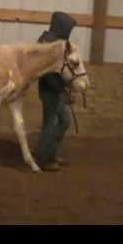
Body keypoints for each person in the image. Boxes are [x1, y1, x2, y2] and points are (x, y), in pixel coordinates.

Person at [34, 12, 77, 171]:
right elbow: (49, 74)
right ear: (62, 27)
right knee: (50, 125)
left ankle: (50, 152)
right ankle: (44, 159)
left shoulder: (55, 42)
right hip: (49, 91)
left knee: (64, 121)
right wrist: (63, 88)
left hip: (56, 89)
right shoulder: (48, 45)